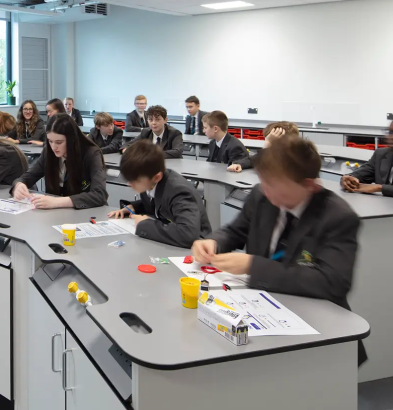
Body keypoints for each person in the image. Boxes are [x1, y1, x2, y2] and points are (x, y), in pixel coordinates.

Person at [192, 136, 366, 364]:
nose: (267, 192)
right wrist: (214, 241)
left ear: (309, 186)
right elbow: (236, 230)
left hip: (318, 327)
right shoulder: (262, 195)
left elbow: (331, 282)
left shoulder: (337, 217)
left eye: (275, 186)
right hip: (261, 310)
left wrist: (252, 266)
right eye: (264, 182)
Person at [108, 140, 211, 247]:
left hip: (197, 247)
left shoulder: (179, 191)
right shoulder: (151, 181)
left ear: (157, 177)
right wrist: (133, 207)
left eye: (135, 180)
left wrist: (145, 225)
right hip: (169, 241)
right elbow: (158, 203)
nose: (129, 184)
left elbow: (187, 233)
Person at [11, 114, 108, 209]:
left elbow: (99, 194)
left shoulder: (91, 153)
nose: (53, 147)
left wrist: (57, 202)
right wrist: (19, 185)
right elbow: (27, 177)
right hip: (57, 216)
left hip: (86, 214)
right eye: (50, 141)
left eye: (59, 142)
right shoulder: (48, 152)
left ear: (72, 139)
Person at [227, 121, 299, 172]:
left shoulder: (296, 160)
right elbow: (253, 159)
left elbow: (267, 170)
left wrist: (268, 144)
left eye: (272, 141)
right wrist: (239, 164)